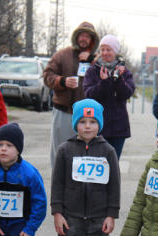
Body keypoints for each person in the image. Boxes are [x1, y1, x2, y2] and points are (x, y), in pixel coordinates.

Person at [51, 99, 120, 236]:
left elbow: (114, 185)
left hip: (99, 218)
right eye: (82, 121)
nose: (87, 126)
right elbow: (57, 183)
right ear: (75, 124)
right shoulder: (65, 150)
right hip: (70, 217)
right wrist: (57, 212)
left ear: (99, 124)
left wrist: (111, 213)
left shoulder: (108, 151)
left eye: (92, 122)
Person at [43, 22, 100, 167]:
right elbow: (47, 75)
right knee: (59, 152)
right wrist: (62, 81)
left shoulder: (99, 60)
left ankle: (81, 187)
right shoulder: (62, 55)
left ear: (92, 40)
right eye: (81, 35)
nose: (84, 39)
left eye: (88, 36)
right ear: (76, 37)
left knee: (85, 155)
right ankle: (58, 184)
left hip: (88, 116)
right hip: (63, 112)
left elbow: (110, 74)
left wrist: (92, 59)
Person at [83, 34, 135, 159]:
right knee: (97, 163)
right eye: (102, 49)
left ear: (115, 51)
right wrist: (103, 83)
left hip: (118, 128)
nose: (105, 53)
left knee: (113, 164)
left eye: (108, 50)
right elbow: (89, 96)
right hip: (97, 126)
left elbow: (127, 94)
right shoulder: (92, 71)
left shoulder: (125, 72)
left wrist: (118, 81)